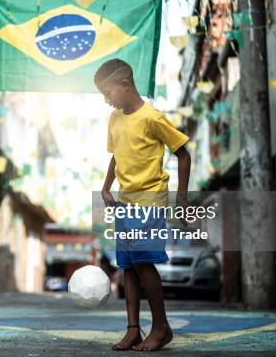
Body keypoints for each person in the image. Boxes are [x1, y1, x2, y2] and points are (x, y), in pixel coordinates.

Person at [96, 59, 191, 351]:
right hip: (125, 200)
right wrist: (106, 187)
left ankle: (161, 327)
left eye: (108, 93)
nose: (107, 100)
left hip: (150, 198)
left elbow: (183, 154)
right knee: (127, 264)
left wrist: (183, 197)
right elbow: (117, 155)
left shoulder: (153, 117)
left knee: (142, 261)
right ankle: (133, 329)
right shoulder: (114, 120)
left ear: (126, 86)